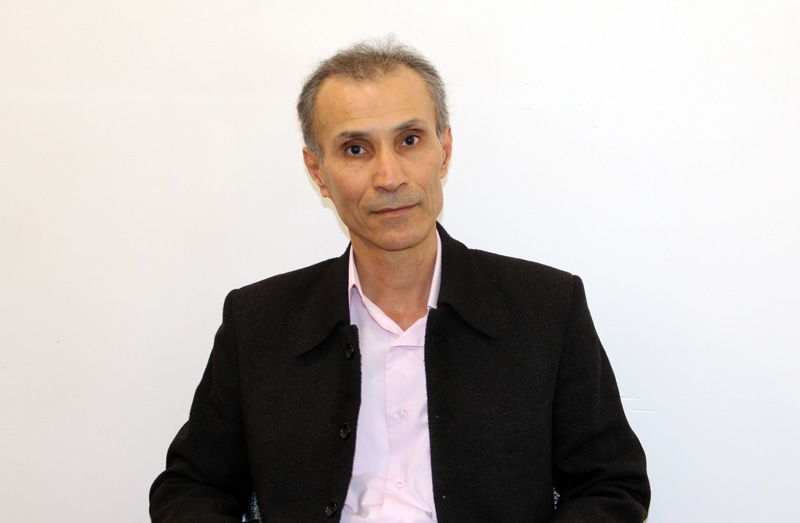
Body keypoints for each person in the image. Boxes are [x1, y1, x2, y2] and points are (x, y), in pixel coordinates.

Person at [150, 38, 650, 522]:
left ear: (444, 150)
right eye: (356, 149)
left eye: (409, 141)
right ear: (317, 170)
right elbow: (191, 488)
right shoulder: (258, 322)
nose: (389, 177)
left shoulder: (546, 308)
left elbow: (610, 486)